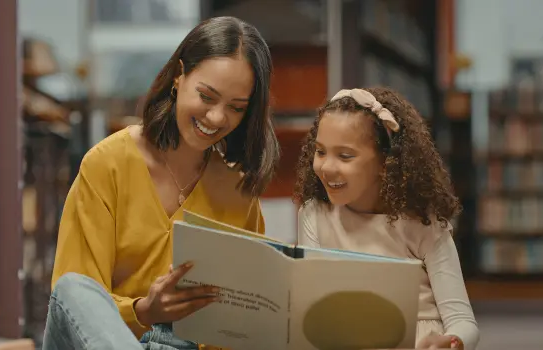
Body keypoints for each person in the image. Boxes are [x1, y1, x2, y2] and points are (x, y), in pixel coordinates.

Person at [43, 16, 280, 350]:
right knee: (72, 288)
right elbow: (75, 311)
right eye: (207, 96)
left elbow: (241, 326)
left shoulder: (239, 194)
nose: (216, 117)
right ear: (179, 75)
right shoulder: (107, 164)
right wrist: (144, 311)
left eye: (236, 108)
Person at [293, 87, 479, 350]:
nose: (326, 167)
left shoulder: (423, 224)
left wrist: (451, 342)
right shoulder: (314, 215)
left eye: (345, 156)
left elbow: (463, 322)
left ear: (385, 163)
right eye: (320, 151)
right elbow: (315, 306)